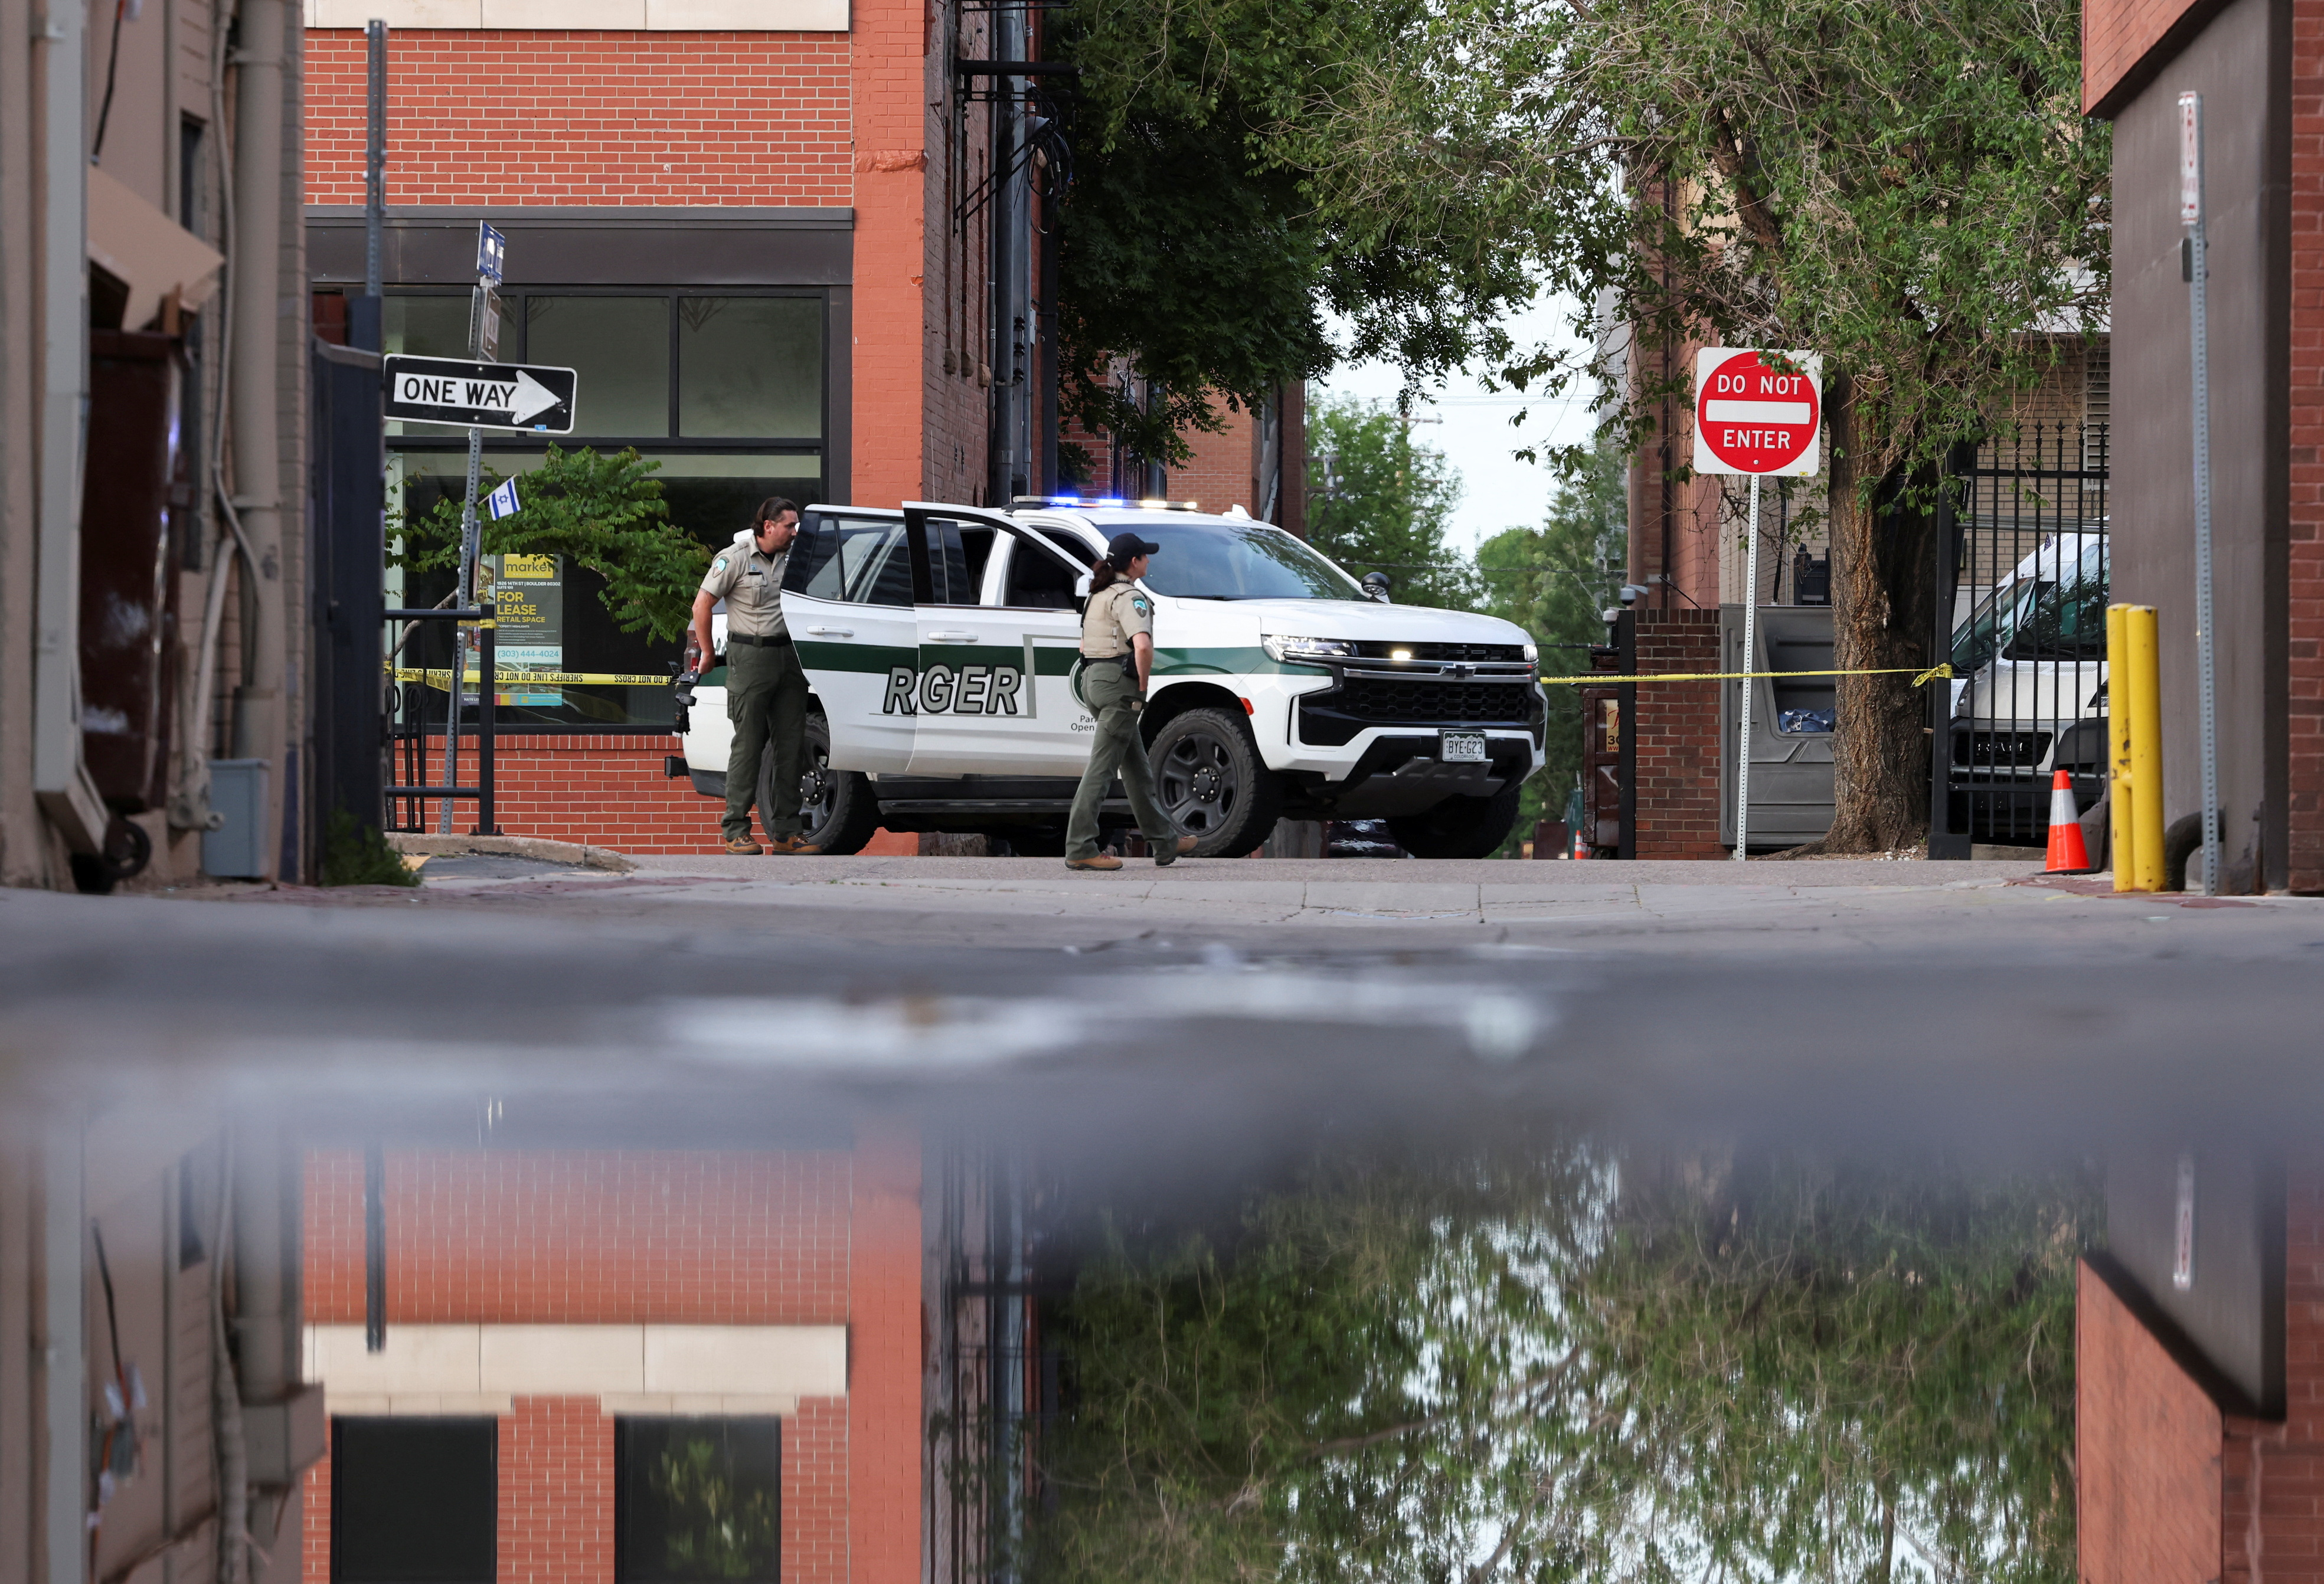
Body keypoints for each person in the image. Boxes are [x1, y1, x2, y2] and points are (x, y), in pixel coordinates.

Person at [1064, 532, 1197, 871]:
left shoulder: (1098, 593)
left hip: (1094, 681)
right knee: (1102, 769)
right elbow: (1142, 645)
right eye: (1144, 556)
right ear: (1133, 562)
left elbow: (1083, 646)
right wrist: (1142, 684)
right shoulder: (1129, 597)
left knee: (1137, 769)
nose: (1149, 561)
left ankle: (1164, 841)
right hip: (1119, 688)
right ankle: (1080, 846)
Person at [692, 497, 818, 855]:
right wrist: (707, 653)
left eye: (796, 526)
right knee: (747, 747)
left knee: (790, 747)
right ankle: (736, 830)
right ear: (767, 526)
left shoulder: (797, 559)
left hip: (789, 658)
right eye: (789, 526)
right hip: (750, 657)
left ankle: (786, 833)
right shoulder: (734, 558)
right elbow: (702, 604)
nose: (795, 532)